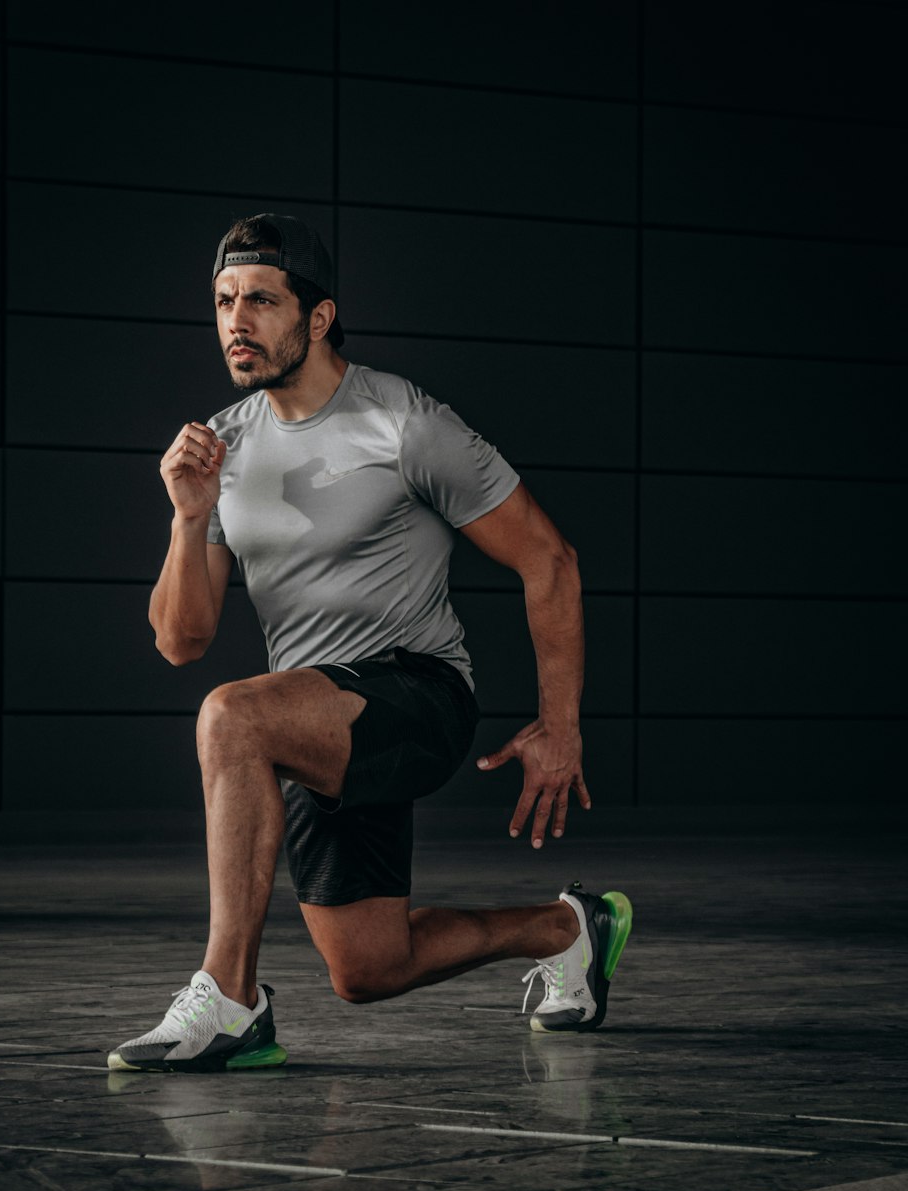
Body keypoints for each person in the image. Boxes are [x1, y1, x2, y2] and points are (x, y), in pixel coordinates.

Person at [107, 214, 632, 1073]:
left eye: (263, 301)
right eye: (224, 301)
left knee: (231, 718)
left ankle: (231, 999)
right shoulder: (223, 444)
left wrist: (559, 726)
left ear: (317, 319)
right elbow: (181, 639)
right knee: (367, 968)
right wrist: (189, 515)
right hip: (314, 716)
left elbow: (551, 560)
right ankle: (569, 927)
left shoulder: (403, 422)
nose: (237, 321)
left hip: (419, 696)